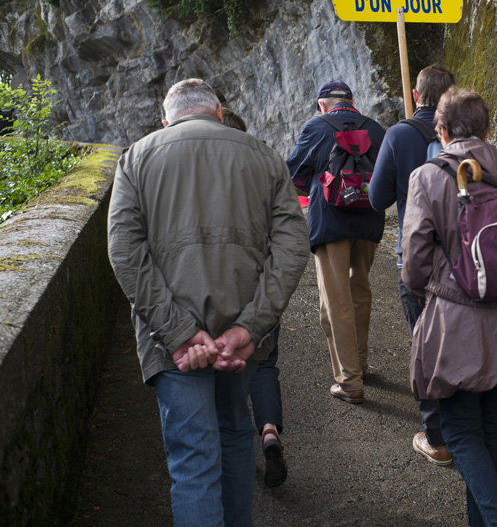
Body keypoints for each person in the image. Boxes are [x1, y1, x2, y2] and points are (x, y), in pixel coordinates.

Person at [107, 79, 309, 526]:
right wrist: (249, 329)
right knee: (236, 432)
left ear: (167, 120)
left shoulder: (136, 158)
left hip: (170, 344)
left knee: (193, 458)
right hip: (241, 338)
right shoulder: (264, 156)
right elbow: (293, 246)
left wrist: (180, 334)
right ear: (218, 113)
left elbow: (125, 253)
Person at [402, 88, 497, 527]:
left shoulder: (428, 177)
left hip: (458, 324)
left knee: (460, 430)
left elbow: (413, 260)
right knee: (490, 425)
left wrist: (434, 293)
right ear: (487, 128)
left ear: (441, 130)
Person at [368, 64, 456, 465]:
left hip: (414, 255)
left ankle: (436, 436)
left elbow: (376, 199)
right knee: (459, 337)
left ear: (417, 95)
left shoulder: (399, 134)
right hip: (458, 257)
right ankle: (465, 425)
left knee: (424, 343)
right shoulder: (463, 136)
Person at [286, 80, 386, 404]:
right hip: (369, 218)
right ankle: (360, 362)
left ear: (322, 105)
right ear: (352, 102)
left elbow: (294, 173)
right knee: (360, 290)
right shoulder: (375, 128)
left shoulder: (316, 127)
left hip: (330, 222)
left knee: (336, 300)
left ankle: (349, 380)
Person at [221, 107, 288, 489]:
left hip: (220, 289)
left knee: (225, 371)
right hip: (264, 289)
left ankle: (229, 455)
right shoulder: (266, 164)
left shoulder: (206, 170)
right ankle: (269, 433)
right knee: (264, 365)